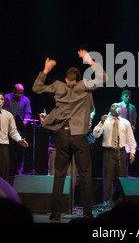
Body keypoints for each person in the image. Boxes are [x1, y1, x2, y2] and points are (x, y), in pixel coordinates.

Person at [32, 49, 107, 220]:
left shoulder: (59, 85)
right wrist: (89, 60)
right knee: (86, 174)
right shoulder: (85, 85)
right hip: (80, 136)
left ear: (66, 79)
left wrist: (45, 71)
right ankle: (88, 213)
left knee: (59, 175)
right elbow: (103, 78)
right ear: (79, 79)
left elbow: (36, 88)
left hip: (63, 135)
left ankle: (55, 213)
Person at [92, 103, 136, 208]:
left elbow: (130, 138)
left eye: (118, 107)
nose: (116, 108)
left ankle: (121, 203)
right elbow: (95, 134)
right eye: (114, 106)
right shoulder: (105, 121)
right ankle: (107, 202)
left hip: (121, 151)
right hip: (109, 152)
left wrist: (132, 152)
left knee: (122, 179)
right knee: (108, 178)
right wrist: (101, 122)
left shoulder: (125, 122)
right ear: (110, 109)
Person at [4, 83, 32, 175]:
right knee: (7, 148)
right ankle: (6, 169)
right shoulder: (6, 97)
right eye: (18, 93)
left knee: (19, 150)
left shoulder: (25, 99)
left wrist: (25, 121)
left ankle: (19, 171)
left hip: (19, 126)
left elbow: (28, 113)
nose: (20, 95)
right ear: (14, 91)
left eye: (22, 93)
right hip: (7, 126)